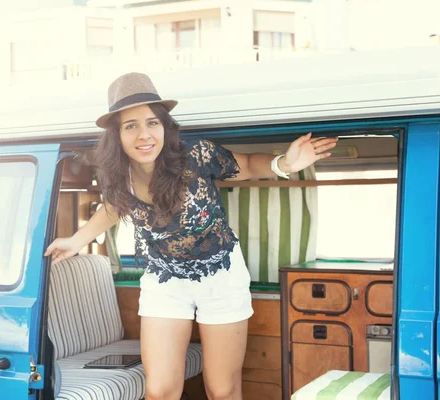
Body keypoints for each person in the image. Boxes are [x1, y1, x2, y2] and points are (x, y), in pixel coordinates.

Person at [45, 72, 337, 400]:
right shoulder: (117, 175)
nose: (144, 134)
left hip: (220, 275)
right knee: (159, 391)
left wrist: (284, 162)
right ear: (117, 135)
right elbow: (113, 208)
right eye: (131, 126)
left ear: (164, 126)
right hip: (164, 279)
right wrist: (75, 240)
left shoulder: (194, 156)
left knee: (222, 390)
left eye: (152, 123)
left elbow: (249, 166)